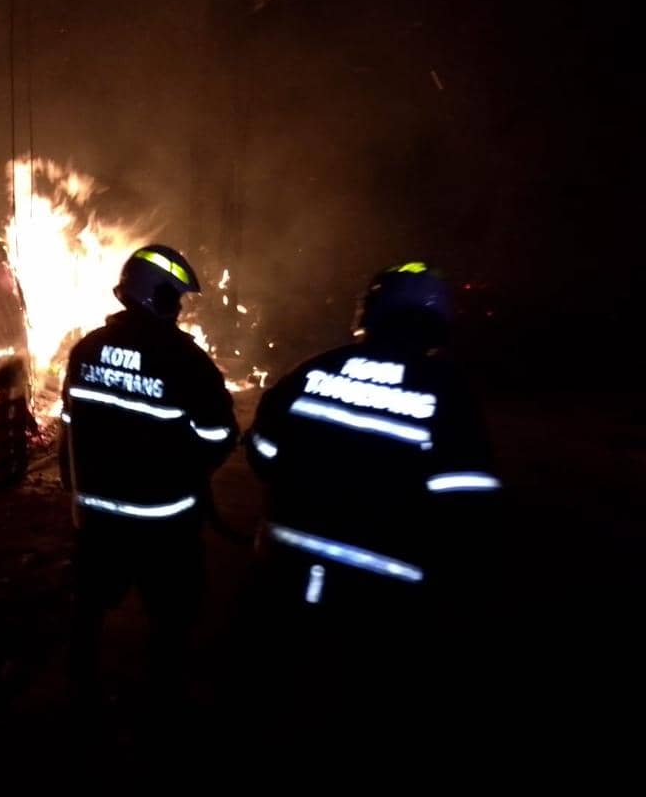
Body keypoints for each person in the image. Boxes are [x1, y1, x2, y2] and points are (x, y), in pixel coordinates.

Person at [243, 261, 502, 745]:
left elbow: (260, 453)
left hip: (283, 571)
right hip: (381, 601)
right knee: (362, 714)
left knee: (271, 699)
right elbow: (469, 508)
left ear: (369, 311)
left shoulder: (315, 370)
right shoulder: (447, 394)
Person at [59, 244, 239, 717]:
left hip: (97, 515)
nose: (178, 309)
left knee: (89, 606)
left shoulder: (85, 349)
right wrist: (186, 467)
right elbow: (219, 434)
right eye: (174, 298)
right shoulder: (184, 359)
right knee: (171, 615)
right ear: (157, 297)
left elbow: (69, 426)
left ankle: (79, 695)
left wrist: (75, 488)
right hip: (164, 521)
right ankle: (162, 706)